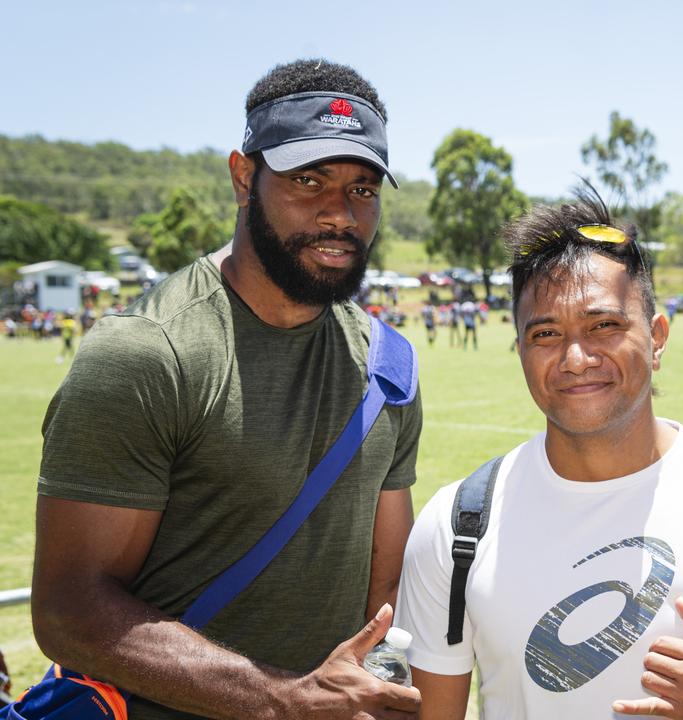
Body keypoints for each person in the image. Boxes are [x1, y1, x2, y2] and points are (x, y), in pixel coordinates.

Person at [31, 59, 423, 720]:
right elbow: (68, 611)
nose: (340, 213)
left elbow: (383, 593)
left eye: (362, 188)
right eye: (308, 179)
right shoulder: (147, 352)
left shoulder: (388, 364)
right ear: (244, 177)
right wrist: (282, 699)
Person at [396, 188, 683, 720]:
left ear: (657, 337)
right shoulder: (456, 526)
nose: (576, 358)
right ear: (519, 348)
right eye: (546, 333)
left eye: (604, 326)